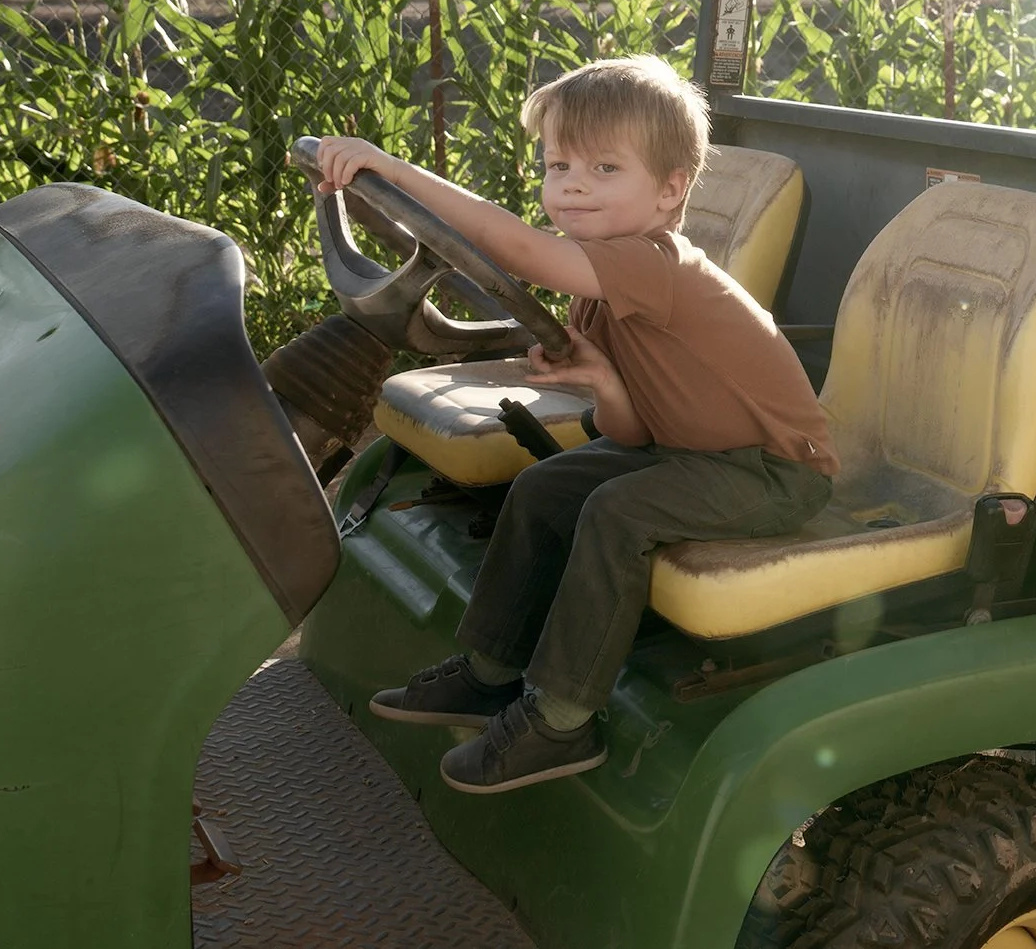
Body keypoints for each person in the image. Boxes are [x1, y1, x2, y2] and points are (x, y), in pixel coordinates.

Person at [312, 55, 834, 792]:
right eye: (558, 166)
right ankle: (492, 670)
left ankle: (562, 720)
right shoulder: (598, 290)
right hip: (687, 454)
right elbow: (623, 433)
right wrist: (603, 380)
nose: (574, 184)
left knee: (616, 510)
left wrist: (388, 170)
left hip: (774, 471)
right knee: (547, 486)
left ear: (670, 189)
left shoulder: (655, 262)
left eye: (604, 167)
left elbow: (522, 249)